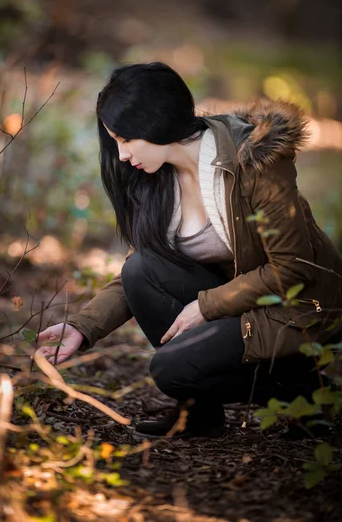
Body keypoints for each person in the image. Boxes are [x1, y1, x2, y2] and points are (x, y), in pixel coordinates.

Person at [36, 62, 342, 439]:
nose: (121, 156)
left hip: (297, 307)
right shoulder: (156, 176)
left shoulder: (256, 161)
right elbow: (143, 272)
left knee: (172, 370)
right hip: (241, 300)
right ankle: (199, 416)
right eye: (115, 141)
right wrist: (83, 328)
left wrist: (206, 305)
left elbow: (293, 267)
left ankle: (306, 391)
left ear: (157, 124)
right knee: (141, 269)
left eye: (126, 140)